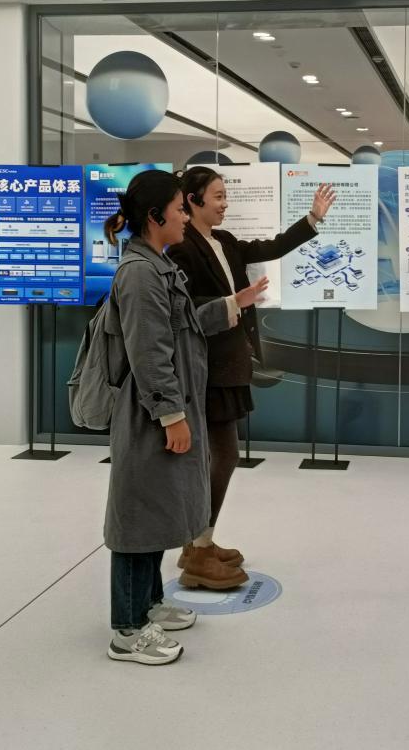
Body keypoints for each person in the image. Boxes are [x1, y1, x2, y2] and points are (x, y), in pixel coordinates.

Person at [102, 169, 268, 665]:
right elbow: (149, 352)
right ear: (156, 217)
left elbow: (186, 322)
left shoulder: (158, 266)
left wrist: (232, 304)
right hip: (149, 414)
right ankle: (127, 629)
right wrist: (172, 415)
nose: (184, 217)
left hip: (164, 409)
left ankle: (150, 604)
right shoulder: (139, 273)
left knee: (157, 509)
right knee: (137, 517)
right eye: (178, 209)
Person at [167, 166, 336, 586]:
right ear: (193, 200)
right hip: (208, 368)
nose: (225, 204)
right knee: (223, 456)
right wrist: (233, 302)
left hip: (231, 362)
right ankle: (198, 549)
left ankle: (199, 543)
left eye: (225, 196)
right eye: (218, 196)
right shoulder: (183, 249)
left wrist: (313, 218)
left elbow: (272, 246)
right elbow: (186, 311)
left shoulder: (224, 240)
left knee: (220, 456)